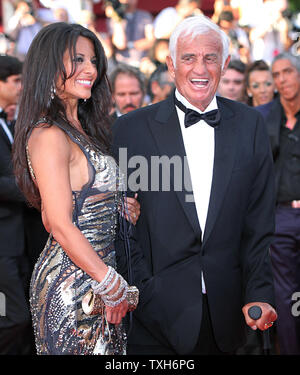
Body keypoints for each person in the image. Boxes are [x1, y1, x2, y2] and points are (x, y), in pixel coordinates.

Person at [113, 15, 277, 355]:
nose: (199, 68)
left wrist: (258, 292)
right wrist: (143, 290)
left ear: (226, 63)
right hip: (154, 314)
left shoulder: (251, 126)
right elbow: (121, 221)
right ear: (172, 65)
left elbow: (259, 221)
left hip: (230, 313)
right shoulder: (131, 129)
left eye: (210, 57)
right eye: (188, 57)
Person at [12, 22, 139, 355]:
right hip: (73, 284)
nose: (90, 69)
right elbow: (57, 222)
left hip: (99, 277)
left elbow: (87, 199)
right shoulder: (49, 135)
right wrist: (109, 282)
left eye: (94, 60)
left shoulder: (84, 129)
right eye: (77, 59)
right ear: (48, 65)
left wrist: (118, 207)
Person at [256, 52, 300, 355]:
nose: (282, 79)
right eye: (277, 74)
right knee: (285, 294)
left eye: (288, 72)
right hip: (280, 215)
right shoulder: (263, 117)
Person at [0, 54, 32, 355]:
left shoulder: (8, 120)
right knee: (14, 317)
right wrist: (35, 189)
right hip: (2, 248)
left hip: (18, 241)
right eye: (15, 81)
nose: (21, 87)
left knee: (22, 318)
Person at [105, 0, 154, 68]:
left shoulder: (145, 16)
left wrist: (130, 45)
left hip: (142, 63)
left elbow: (151, 41)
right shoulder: (114, 18)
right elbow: (120, 44)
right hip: (122, 64)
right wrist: (116, 15)